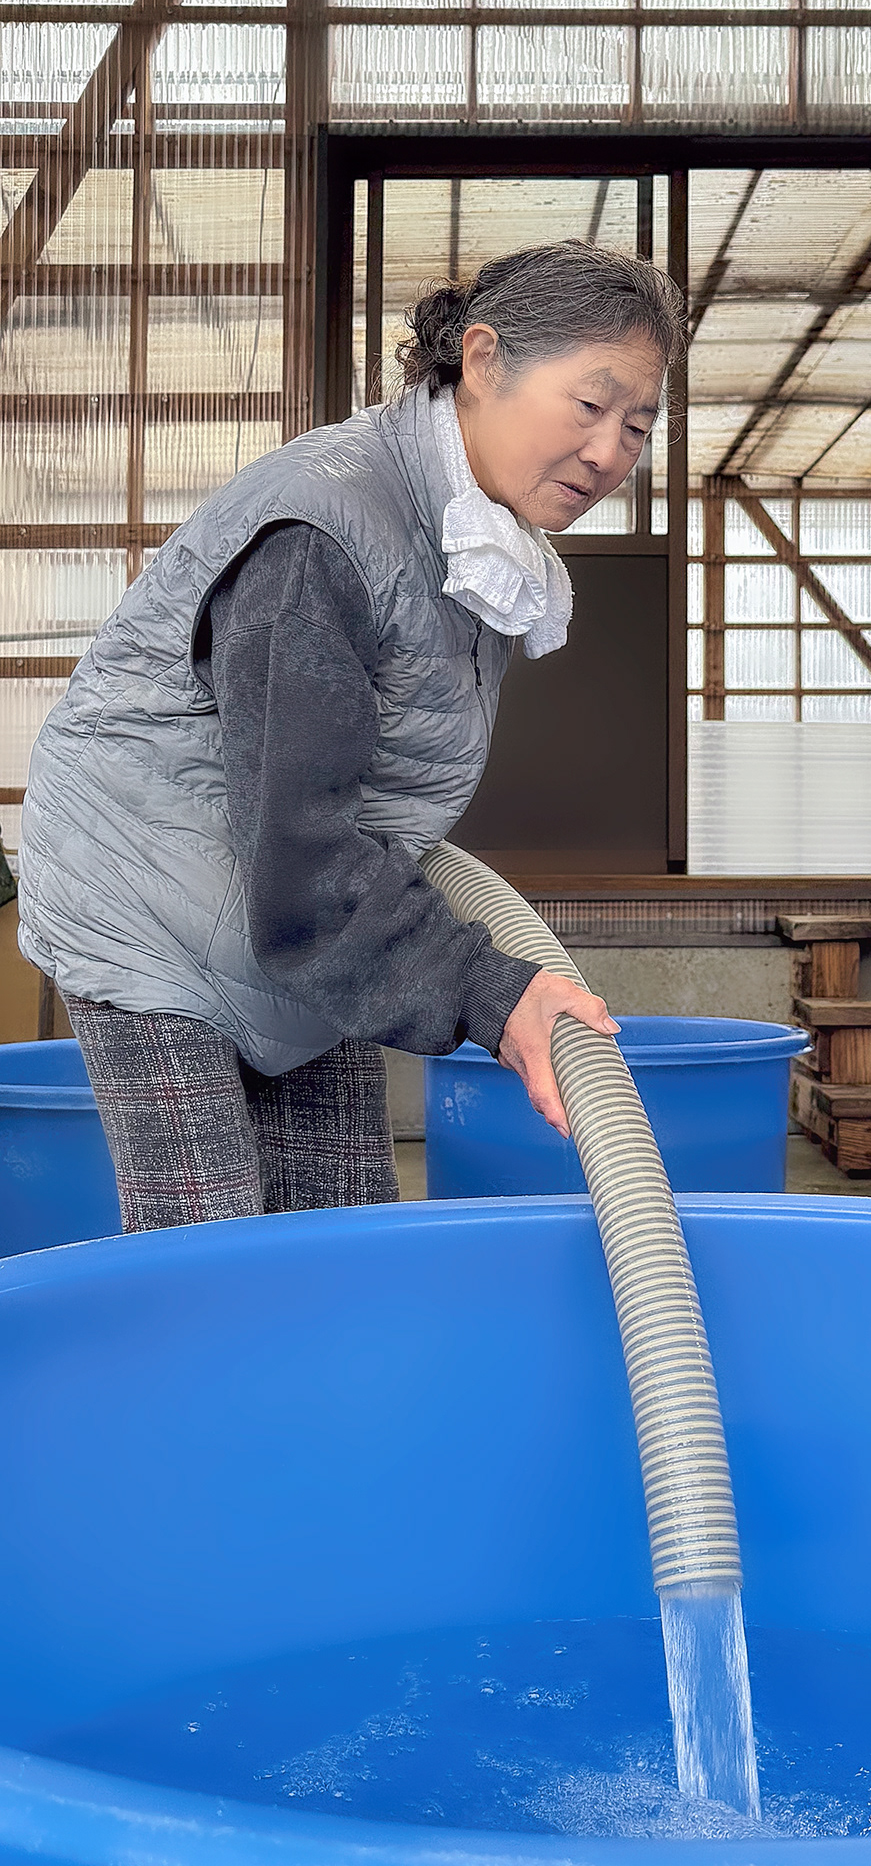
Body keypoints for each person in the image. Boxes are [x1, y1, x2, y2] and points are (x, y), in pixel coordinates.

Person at [16, 239, 684, 1232]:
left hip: (291, 908)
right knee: (214, 1251)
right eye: (591, 407)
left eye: (639, 424)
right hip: (152, 899)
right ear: (487, 361)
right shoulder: (325, 533)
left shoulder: (466, 533)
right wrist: (498, 996)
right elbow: (305, 863)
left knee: (341, 1231)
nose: (610, 453)